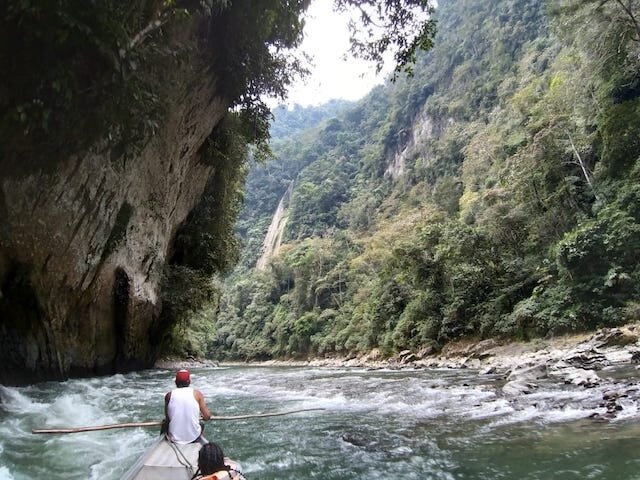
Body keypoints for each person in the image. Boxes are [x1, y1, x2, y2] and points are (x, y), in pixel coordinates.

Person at [164, 369, 212, 444]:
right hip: (193, 437)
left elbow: (168, 418)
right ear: (189, 382)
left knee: (165, 425)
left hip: (174, 438)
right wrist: (203, 417)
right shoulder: (197, 394)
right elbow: (207, 416)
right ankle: (200, 441)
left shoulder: (169, 395)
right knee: (201, 424)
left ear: (176, 382)